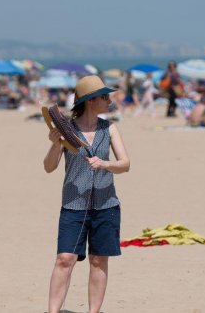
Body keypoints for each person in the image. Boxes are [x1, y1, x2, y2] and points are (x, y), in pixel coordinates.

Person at [43, 76, 130, 313]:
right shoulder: (66, 129)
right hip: (73, 205)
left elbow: (125, 164)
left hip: (106, 205)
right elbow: (49, 167)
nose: (109, 100)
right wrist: (54, 144)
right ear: (91, 101)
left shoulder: (110, 128)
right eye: (105, 96)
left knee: (99, 261)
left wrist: (105, 164)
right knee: (64, 259)